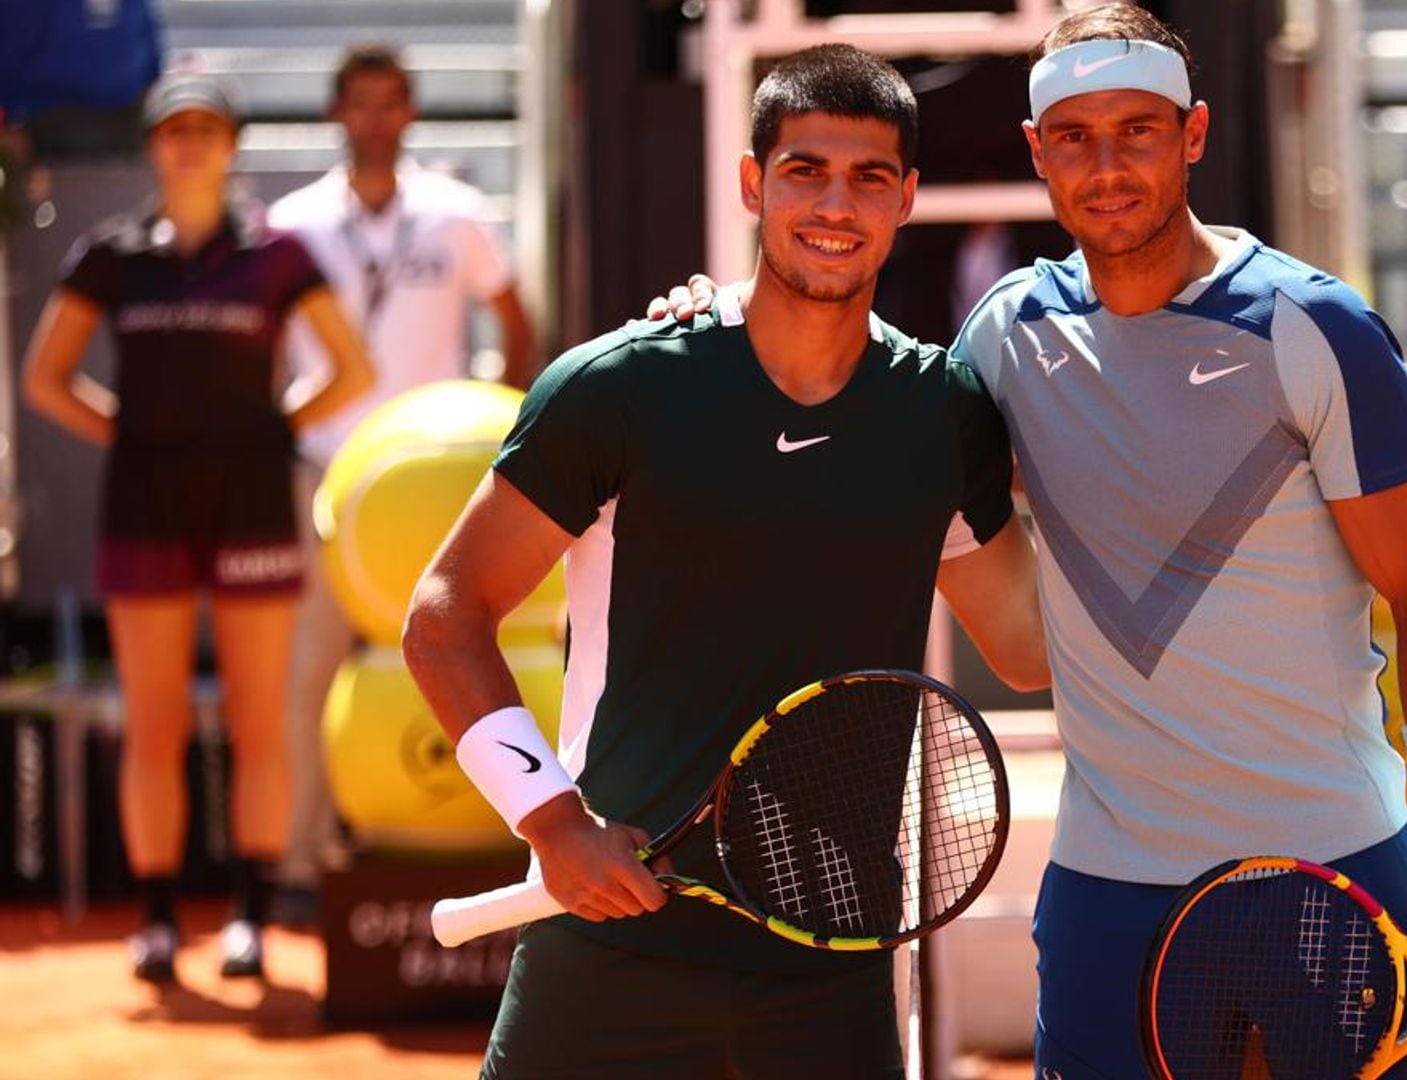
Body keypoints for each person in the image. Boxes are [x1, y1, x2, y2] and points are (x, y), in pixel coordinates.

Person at [656, 7, 1407, 1077]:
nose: (1106, 167)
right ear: (1036, 151)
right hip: (1110, 890)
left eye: (1138, 132)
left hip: (1331, 868)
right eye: (1073, 136)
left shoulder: (1316, 329)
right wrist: (719, 319)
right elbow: (854, 402)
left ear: (1193, 134)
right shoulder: (1007, 339)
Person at [400, 45, 1047, 1078]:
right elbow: (443, 615)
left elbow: (1027, 649)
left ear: (908, 199)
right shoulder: (619, 387)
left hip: (828, 964)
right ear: (753, 183)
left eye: (870, 178)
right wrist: (555, 823)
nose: (836, 204)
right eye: (805, 171)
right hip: (605, 957)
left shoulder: (943, 414)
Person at [20, 72, 375, 982]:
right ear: (152, 145)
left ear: (231, 145)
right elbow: (44, 377)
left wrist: (277, 427)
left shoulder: (277, 253)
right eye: (173, 130)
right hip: (145, 501)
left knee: (258, 719)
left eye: (205, 130)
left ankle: (250, 914)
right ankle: (157, 919)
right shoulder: (111, 256)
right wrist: (131, 433)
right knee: (156, 721)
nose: (189, 145)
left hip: (252, 496)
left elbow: (352, 367)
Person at [266, 43, 537, 915]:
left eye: (390, 103)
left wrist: (495, 424)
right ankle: (307, 862)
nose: (375, 120)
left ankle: (496, 840)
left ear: (410, 112)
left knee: (465, 656)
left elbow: (513, 319)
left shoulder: (454, 213)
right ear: (335, 113)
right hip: (329, 478)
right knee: (313, 671)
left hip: (439, 480)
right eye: (360, 103)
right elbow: (268, 351)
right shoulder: (292, 221)